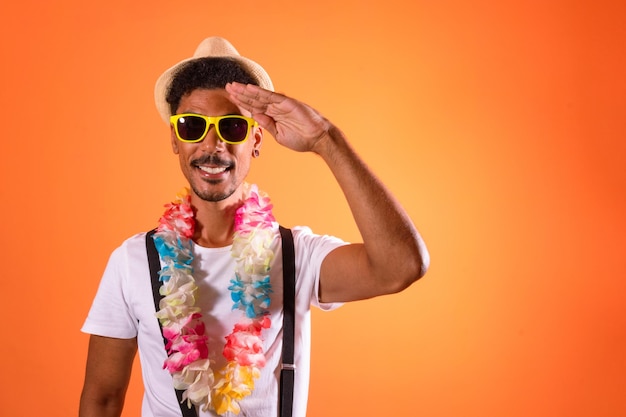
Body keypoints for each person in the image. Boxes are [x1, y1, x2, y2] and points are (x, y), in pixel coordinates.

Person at [79, 36, 429, 417]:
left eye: (231, 127)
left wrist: (326, 140)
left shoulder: (298, 256)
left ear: (256, 139)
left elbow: (402, 266)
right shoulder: (131, 261)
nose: (211, 144)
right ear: (175, 139)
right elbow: (103, 399)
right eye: (193, 125)